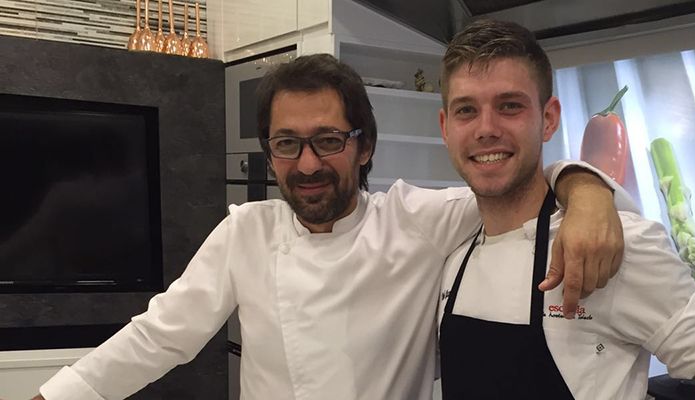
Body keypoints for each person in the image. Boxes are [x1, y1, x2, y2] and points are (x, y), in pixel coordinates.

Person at [33, 54, 633, 400]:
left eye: (328, 141)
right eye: (288, 144)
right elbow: (159, 337)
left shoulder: (416, 220)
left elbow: (513, 182)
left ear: (363, 146)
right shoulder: (246, 231)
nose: (309, 164)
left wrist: (586, 190)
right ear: (270, 153)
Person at [436, 19, 695, 400]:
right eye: (466, 110)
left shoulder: (608, 246)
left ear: (549, 119)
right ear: (445, 127)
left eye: (510, 106)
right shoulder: (453, 254)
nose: (486, 128)